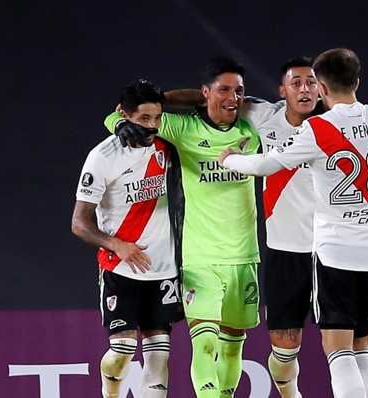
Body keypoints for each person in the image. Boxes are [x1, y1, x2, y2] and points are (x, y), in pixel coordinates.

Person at [218, 48, 368, 398]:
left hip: (336, 252)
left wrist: (232, 159)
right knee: (361, 344)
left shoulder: (318, 128)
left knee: (337, 348)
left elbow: (267, 165)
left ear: (321, 87)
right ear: (357, 81)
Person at [105, 57, 261, 398]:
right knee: (205, 345)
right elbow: (121, 116)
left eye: (239, 90)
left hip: (245, 256)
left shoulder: (253, 126)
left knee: (233, 349)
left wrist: (224, 97)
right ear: (204, 93)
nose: (233, 97)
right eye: (223, 90)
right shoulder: (184, 128)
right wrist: (122, 124)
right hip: (200, 257)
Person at [71, 80, 183, 398]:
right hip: (120, 268)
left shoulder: (168, 145)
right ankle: (111, 393)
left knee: (159, 356)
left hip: (164, 269)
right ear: (124, 115)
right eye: (144, 118)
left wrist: (166, 100)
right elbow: (79, 223)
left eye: (157, 118)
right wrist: (116, 244)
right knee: (122, 351)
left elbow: (203, 102)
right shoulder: (102, 157)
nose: (152, 126)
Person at [238, 56, 320, 398]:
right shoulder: (264, 115)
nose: (305, 89)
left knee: (344, 340)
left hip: (331, 251)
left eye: (311, 82)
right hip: (285, 252)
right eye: (297, 83)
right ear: (282, 91)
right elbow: (214, 98)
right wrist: (158, 102)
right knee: (285, 345)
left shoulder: (335, 124)